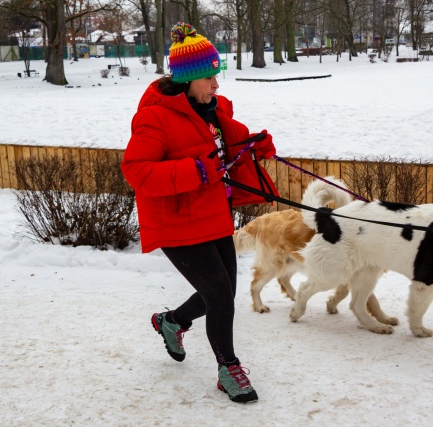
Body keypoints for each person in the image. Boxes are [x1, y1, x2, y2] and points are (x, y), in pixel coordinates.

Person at [121, 22, 278, 404]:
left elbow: (227, 147)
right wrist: (196, 170)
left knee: (221, 293)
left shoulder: (214, 111)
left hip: (213, 213)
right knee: (220, 296)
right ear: (188, 79)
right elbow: (136, 171)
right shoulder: (155, 117)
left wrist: (255, 147)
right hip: (175, 222)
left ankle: (171, 321)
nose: (216, 85)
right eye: (209, 78)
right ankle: (229, 369)